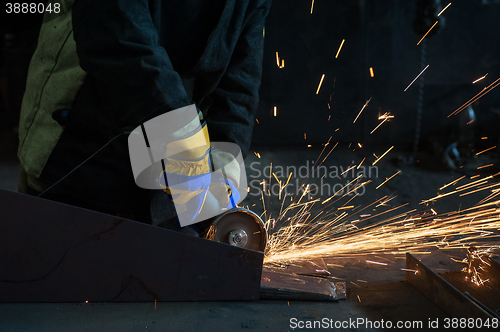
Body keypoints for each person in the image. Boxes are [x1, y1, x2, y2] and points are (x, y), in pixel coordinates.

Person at [17, 0, 272, 230]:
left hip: (168, 166)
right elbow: (118, 36)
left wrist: (223, 163)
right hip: (78, 151)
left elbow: (240, 81)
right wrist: (182, 142)